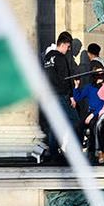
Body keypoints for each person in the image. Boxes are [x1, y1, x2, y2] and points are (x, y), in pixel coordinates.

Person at [42, 31, 79, 160]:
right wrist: (71, 96)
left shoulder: (47, 58)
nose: (69, 50)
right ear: (63, 44)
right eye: (69, 47)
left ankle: (53, 152)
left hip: (49, 95)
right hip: (61, 95)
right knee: (75, 121)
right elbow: (65, 78)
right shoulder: (61, 58)